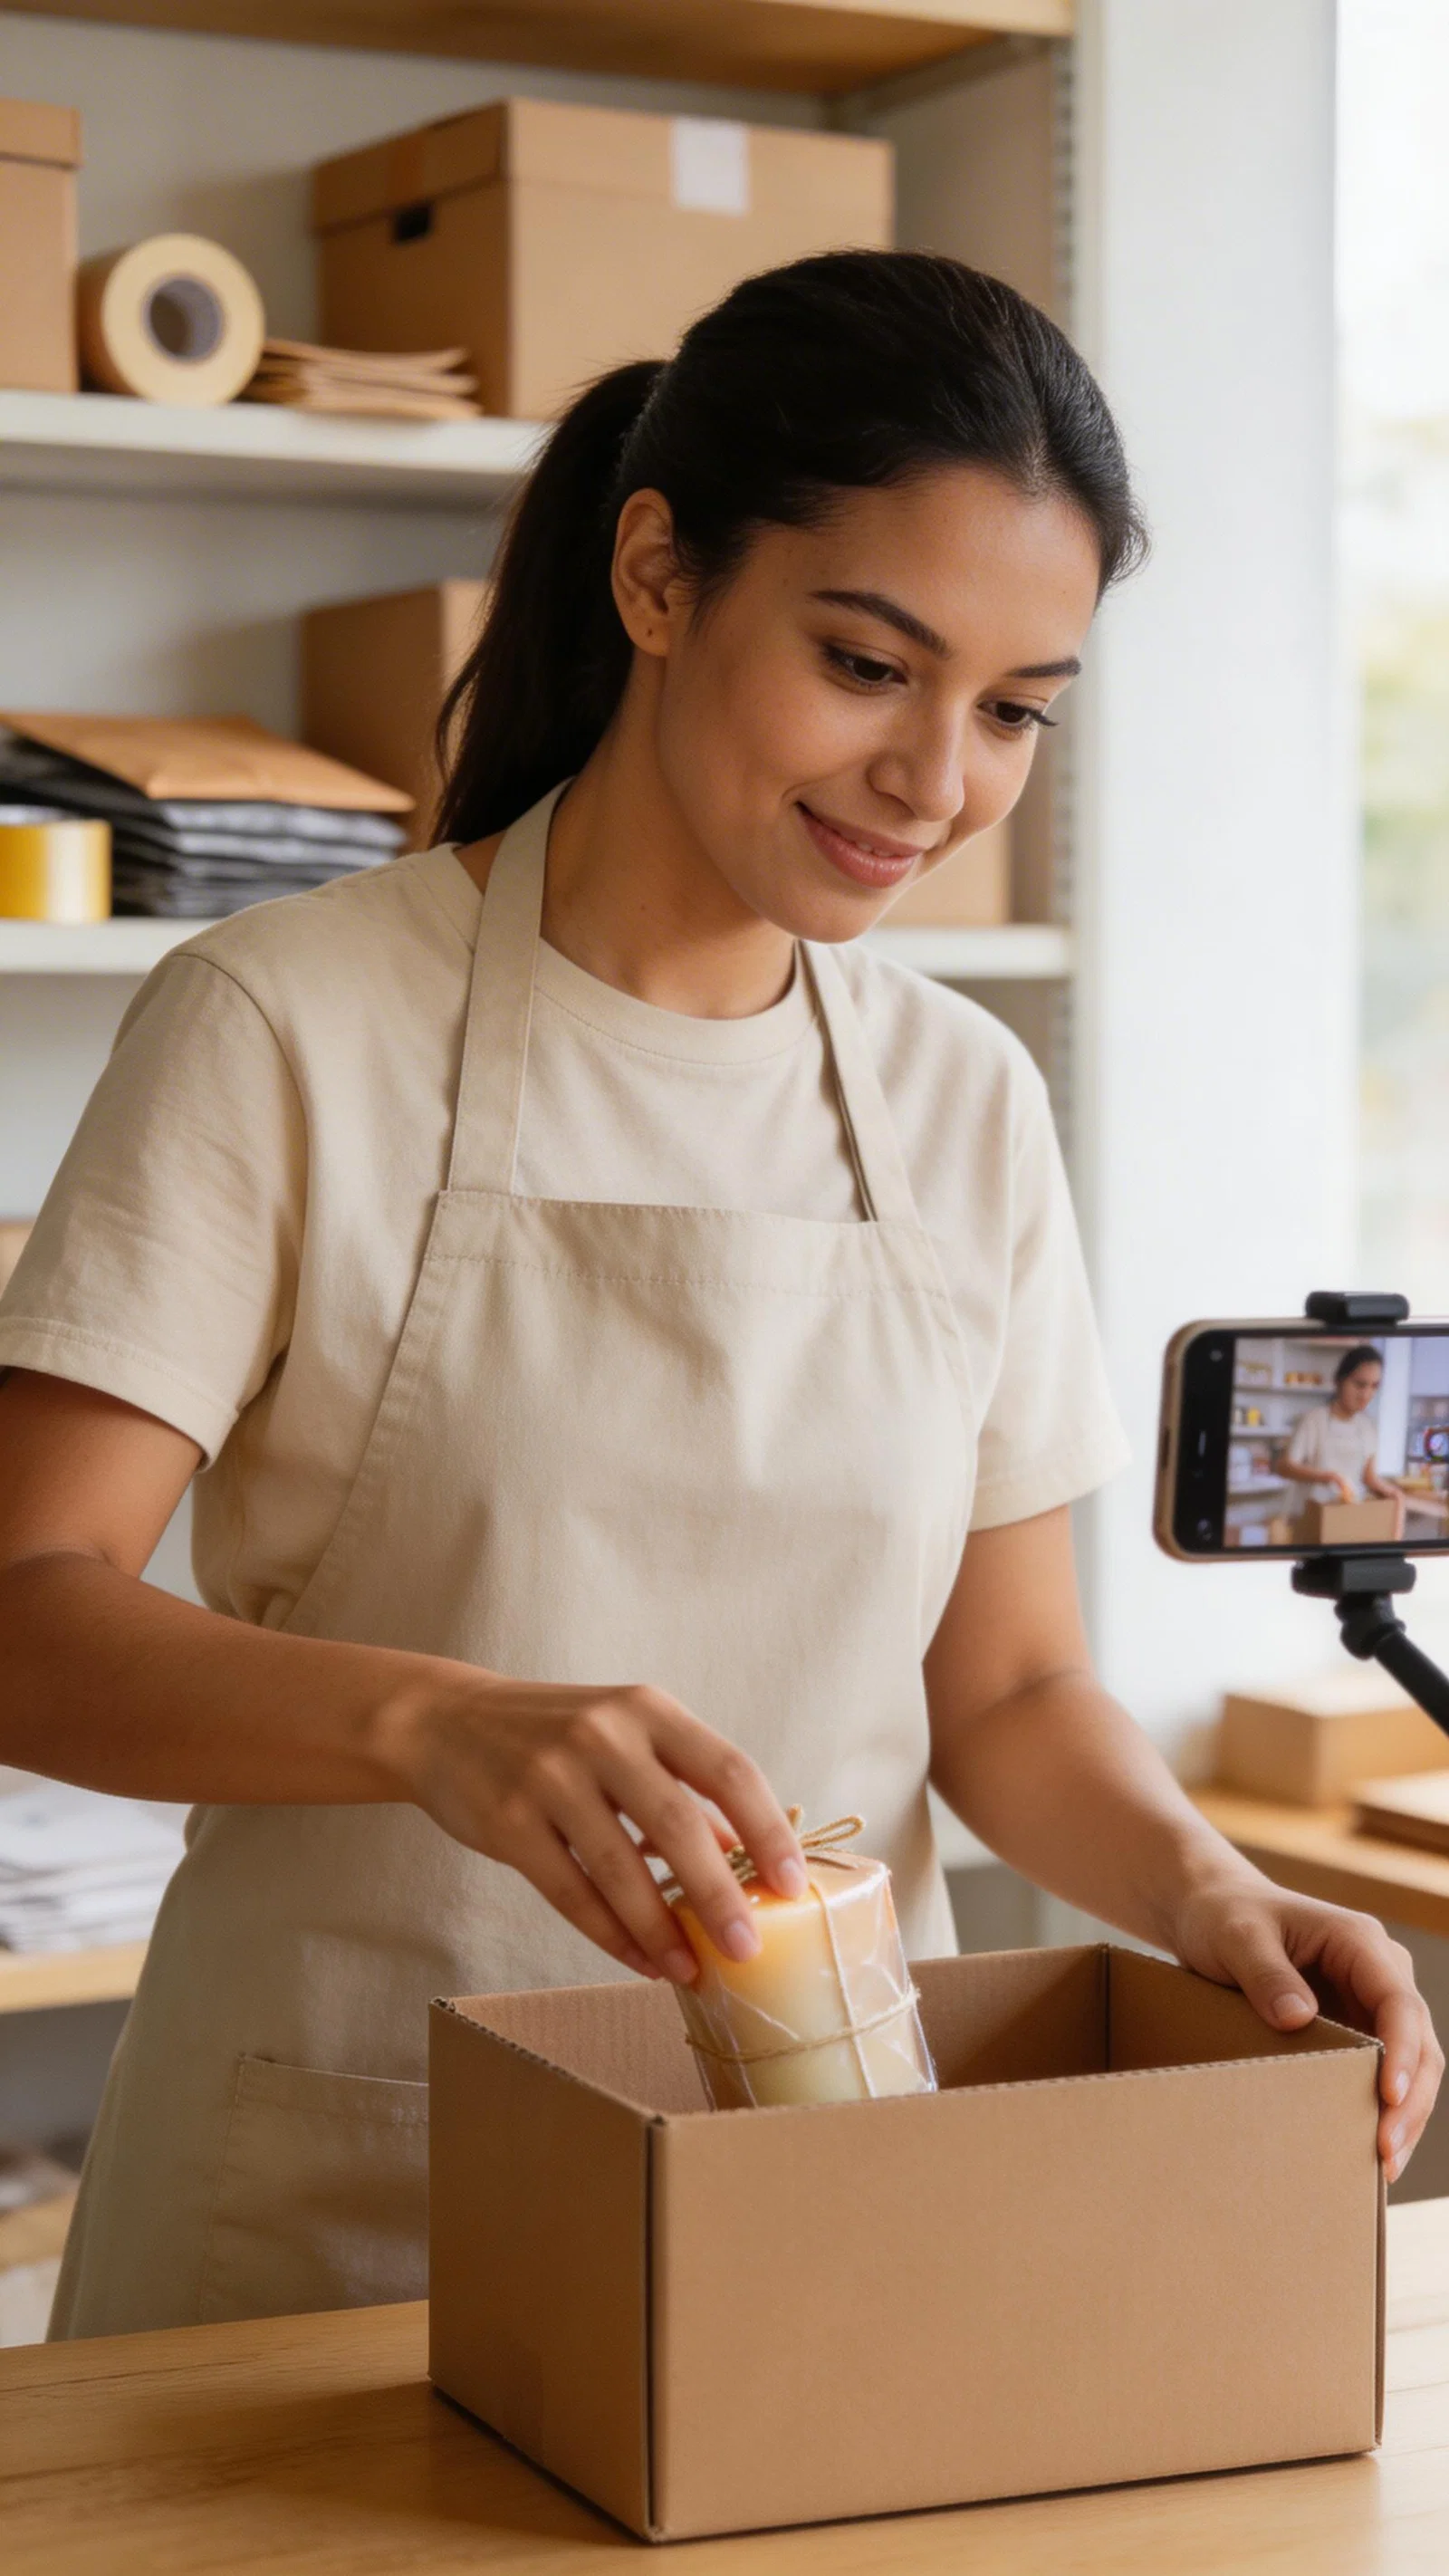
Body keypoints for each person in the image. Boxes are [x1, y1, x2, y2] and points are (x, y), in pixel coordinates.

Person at [0, 254, 1437, 2341]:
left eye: (1015, 708)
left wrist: (1213, 1894)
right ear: (658, 580)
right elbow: (29, 1607)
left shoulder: (963, 1100)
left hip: (811, 2209)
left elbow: (1010, 1698)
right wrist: (433, 1721)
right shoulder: (284, 1024)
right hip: (333, 2215)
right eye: (868, 663)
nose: (936, 778)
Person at [1279, 1344, 1407, 1541]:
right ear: (1339, 1380)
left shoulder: (1368, 1426)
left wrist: (1392, 1491)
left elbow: (1368, 1477)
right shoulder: (1315, 1420)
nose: (1366, 1394)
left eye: (1374, 1386)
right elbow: (1285, 1467)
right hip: (1312, 1516)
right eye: (1359, 1384)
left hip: (1349, 1517)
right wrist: (1329, 1476)